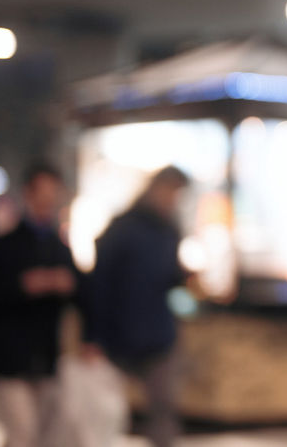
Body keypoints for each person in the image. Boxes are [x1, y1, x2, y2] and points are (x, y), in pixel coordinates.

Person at [0, 161, 78, 447]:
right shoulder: (1, 246)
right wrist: (23, 286)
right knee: (22, 434)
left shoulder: (60, 248)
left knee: (36, 437)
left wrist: (66, 286)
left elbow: (83, 295)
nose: (48, 200)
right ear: (28, 193)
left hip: (46, 359)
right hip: (8, 359)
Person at [85, 165, 190, 447]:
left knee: (163, 412)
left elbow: (166, 277)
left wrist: (182, 276)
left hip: (158, 336)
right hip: (119, 336)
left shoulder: (170, 230)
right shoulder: (123, 228)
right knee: (107, 414)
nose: (173, 200)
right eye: (170, 192)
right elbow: (100, 283)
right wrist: (93, 336)